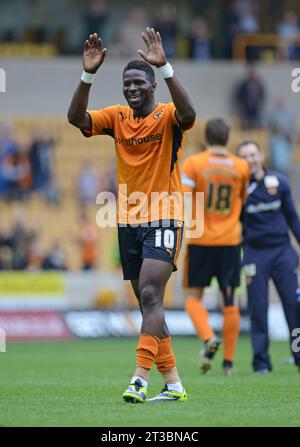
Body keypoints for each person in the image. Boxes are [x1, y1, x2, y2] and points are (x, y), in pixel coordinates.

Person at [67, 28, 195, 402]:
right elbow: (76, 118)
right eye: (127, 83)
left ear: (153, 85)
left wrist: (166, 66)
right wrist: (88, 74)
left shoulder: (168, 116)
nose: (131, 88)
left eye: (139, 81)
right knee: (148, 305)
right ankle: (173, 385)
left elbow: (190, 113)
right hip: (129, 221)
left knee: (152, 294)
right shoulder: (117, 117)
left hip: (164, 216)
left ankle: (139, 379)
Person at [182, 119, 249, 374]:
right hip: (231, 242)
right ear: (228, 137)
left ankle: (209, 337)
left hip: (200, 242)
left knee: (192, 298)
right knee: (230, 301)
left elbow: (184, 199)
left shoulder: (194, 163)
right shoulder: (241, 167)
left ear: (206, 137)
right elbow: (243, 201)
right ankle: (229, 364)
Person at [237, 141, 300, 373]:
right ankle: (261, 362)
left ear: (261, 155)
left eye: (253, 154)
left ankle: (298, 355)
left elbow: (293, 218)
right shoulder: (239, 189)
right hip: (255, 254)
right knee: (258, 309)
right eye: (244, 156)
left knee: (293, 307)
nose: (250, 159)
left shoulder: (280, 182)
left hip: (283, 252)